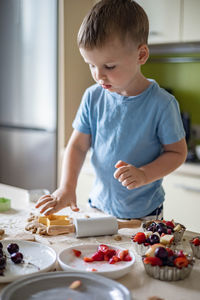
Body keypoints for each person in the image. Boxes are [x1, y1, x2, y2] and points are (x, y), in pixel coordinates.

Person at [36, 0, 187, 219]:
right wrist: (67, 187)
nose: (99, 75)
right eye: (91, 65)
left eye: (109, 66)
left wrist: (144, 174)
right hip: (98, 207)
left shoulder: (162, 104)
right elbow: (77, 146)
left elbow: (177, 152)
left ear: (141, 55)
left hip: (145, 215)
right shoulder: (93, 96)